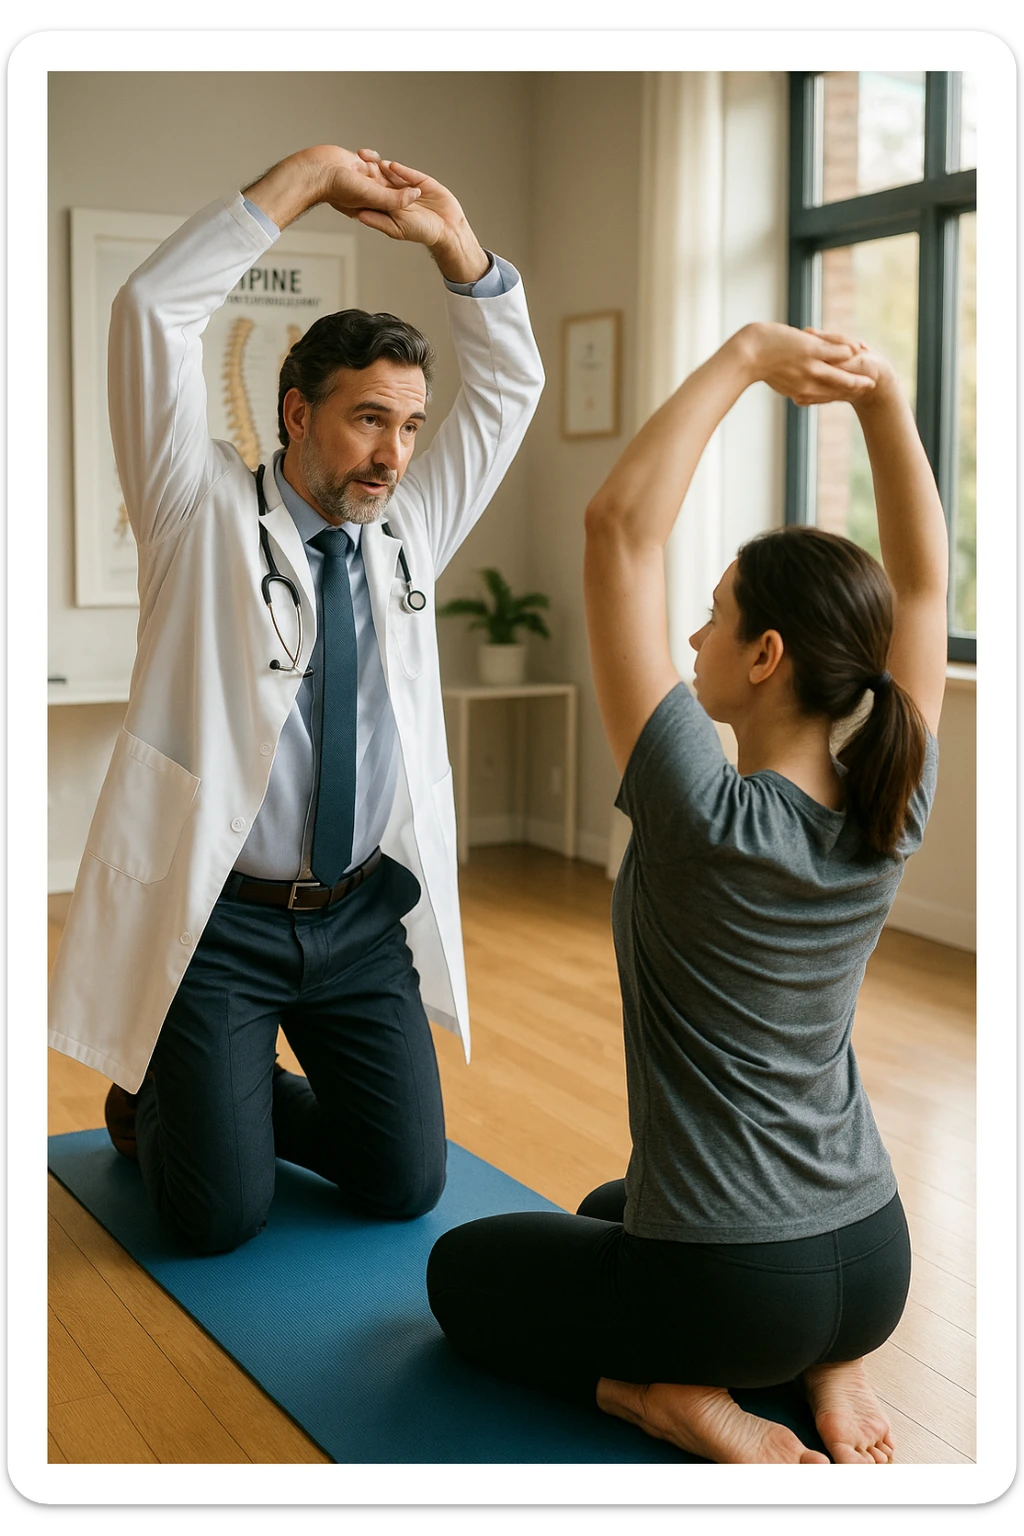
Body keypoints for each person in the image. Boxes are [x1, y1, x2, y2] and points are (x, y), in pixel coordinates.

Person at [426, 321, 948, 1465]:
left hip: (728, 1293)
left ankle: (665, 1397)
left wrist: (750, 354)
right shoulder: (885, 806)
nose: (693, 633)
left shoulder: (695, 806)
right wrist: (883, 406)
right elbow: (920, 580)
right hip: (872, 1263)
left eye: (714, 613)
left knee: (460, 1277)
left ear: (764, 656)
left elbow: (620, 529)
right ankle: (827, 1369)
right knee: (611, 1204)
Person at [48, 144, 544, 1254]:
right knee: (216, 1219)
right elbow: (151, 311)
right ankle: (163, 1092)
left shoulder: (405, 527)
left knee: (405, 1180)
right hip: (222, 922)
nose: (395, 455)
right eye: (370, 418)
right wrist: (311, 178)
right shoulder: (198, 510)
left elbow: (511, 388)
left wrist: (457, 243)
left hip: (361, 920)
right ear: (295, 413)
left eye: (411, 426)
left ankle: (205, 1090)